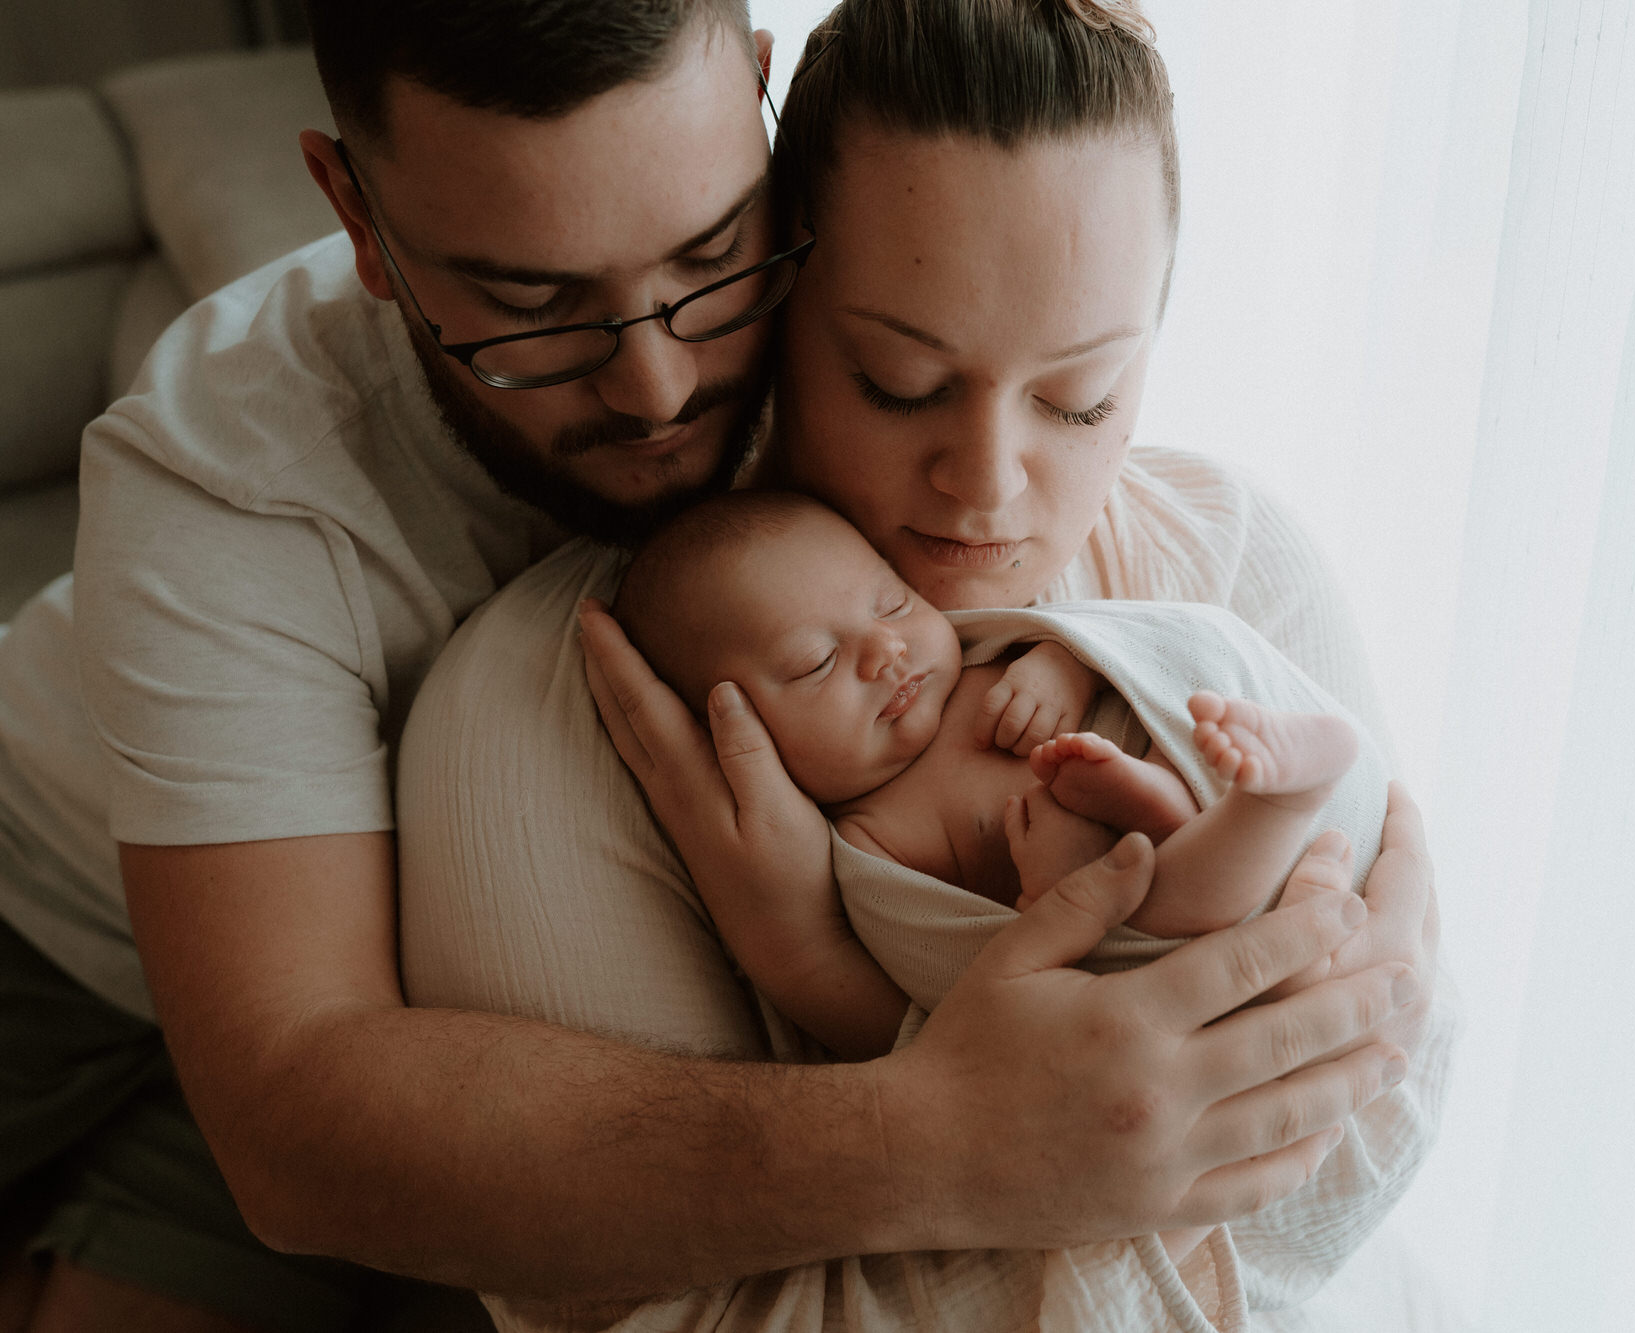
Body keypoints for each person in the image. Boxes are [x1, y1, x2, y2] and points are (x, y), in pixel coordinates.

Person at [0, 3, 1443, 1332]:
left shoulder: (858, 292)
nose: (658, 386)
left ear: (755, 105)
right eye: (535, 304)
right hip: (72, 943)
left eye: (707, 262)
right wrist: (944, 1138)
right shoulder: (226, 486)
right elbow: (299, 1125)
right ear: (357, 216)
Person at [611, 487, 1371, 1063]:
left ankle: (1173, 794)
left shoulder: (982, 653)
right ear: (735, 737)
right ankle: (1272, 802)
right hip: (1149, 918)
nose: (887, 650)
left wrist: (1064, 664)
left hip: (1175, 755)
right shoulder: (872, 841)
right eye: (817, 662)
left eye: (893, 601)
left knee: (1186, 721)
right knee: (1162, 902)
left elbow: (1118, 642)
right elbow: (968, 982)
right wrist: (1048, 893)